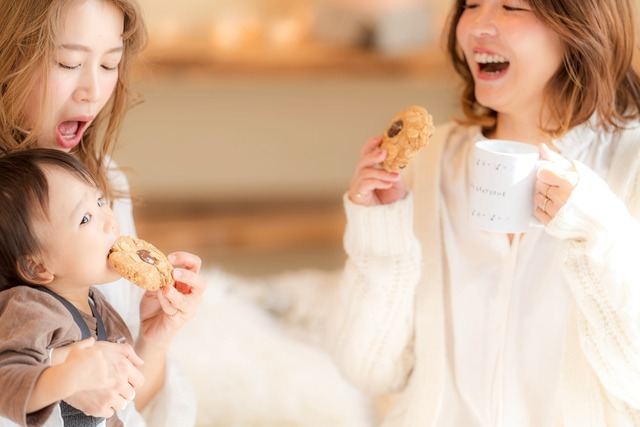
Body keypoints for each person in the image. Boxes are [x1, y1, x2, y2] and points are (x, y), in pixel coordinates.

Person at [330, 0, 640, 426]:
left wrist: (598, 232)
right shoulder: (426, 162)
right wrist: (380, 237)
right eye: (471, 4)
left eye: (511, 6)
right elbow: (369, 371)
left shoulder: (631, 167)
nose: (478, 25)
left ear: (580, 23)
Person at [0, 0, 206, 425]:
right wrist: (60, 371)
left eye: (110, 64)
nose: (92, 91)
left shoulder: (104, 182)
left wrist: (154, 338)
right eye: (68, 63)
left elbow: (127, 407)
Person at [0, 148, 147, 426]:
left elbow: (123, 402)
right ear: (37, 267)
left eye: (100, 201)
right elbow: (6, 381)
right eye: (85, 219)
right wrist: (65, 377)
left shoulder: (96, 303)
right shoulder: (29, 308)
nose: (110, 221)